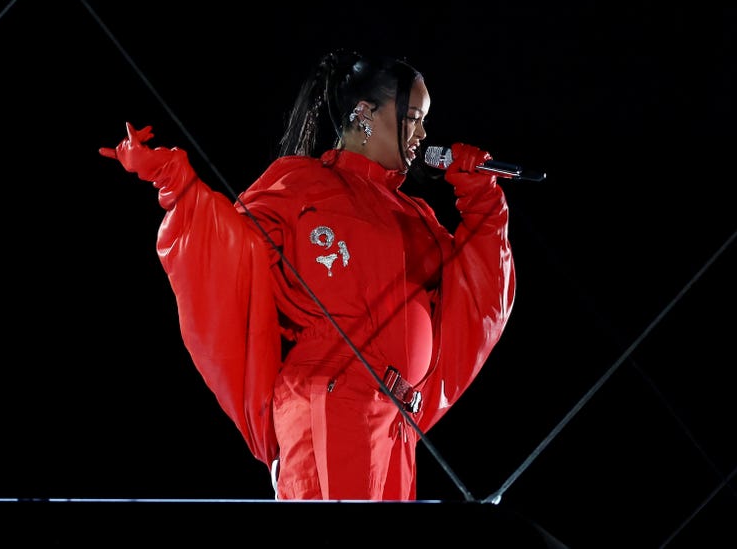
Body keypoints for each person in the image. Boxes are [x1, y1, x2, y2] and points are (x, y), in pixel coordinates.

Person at [98, 49, 516, 500]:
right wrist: (175, 183)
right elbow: (229, 252)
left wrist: (482, 198)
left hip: (397, 424)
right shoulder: (300, 183)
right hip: (330, 407)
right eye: (412, 117)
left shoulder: (414, 214)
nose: (422, 133)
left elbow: (479, 296)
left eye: (423, 120)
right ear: (364, 114)